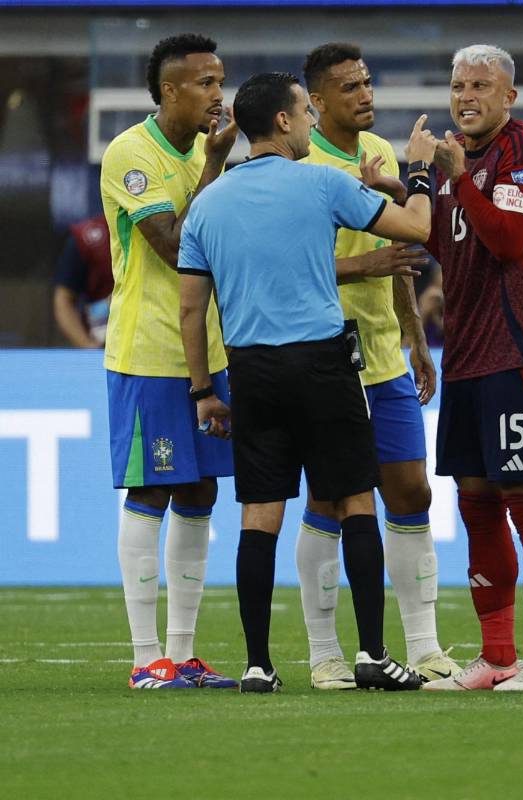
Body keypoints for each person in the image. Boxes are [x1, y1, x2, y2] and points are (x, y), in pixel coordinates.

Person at [177, 71, 438, 692]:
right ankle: (373, 654)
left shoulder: (206, 204)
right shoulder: (323, 182)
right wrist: (420, 173)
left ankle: (258, 665)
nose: (314, 124)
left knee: (258, 514)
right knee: (353, 501)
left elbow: (192, 309)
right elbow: (418, 229)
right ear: (286, 121)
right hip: (323, 362)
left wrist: (203, 391)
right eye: (305, 112)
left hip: (252, 368)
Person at [294, 42, 460, 690]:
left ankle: (425, 646)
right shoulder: (302, 164)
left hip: (385, 352)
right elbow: (288, 260)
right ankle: (324, 654)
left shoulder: (384, 155)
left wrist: (416, 335)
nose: (365, 95)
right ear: (316, 101)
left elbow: (401, 252)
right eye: (350, 87)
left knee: (411, 490)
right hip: (323, 351)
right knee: (330, 499)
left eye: (368, 82)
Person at [421, 44, 523, 692]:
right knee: (475, 506)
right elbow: (436, 240)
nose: (467, 96)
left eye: (481, 85)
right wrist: (405, 181)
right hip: (464, 357)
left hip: (517, 348)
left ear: (509, 96)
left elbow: (509, 239)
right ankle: (497, 656)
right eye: (459, 86)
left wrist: (454, 176)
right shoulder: (457, 158)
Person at [99, 33, 239, 690]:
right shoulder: (133, 153)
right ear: (169, 91)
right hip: (150, 351)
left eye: (220, 81)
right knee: (151, 488)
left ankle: (181, 654)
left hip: (209, 351)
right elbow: (175, 245)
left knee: (200, 490)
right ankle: (144, 657)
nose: (218, 94)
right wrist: (214, 167)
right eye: (205, 83)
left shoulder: (215, 157)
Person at [52, 214, 112, 349]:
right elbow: (63, 300)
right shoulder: (86, 238)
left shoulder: (162, 233)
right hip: (103, 343)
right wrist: (87, 345)